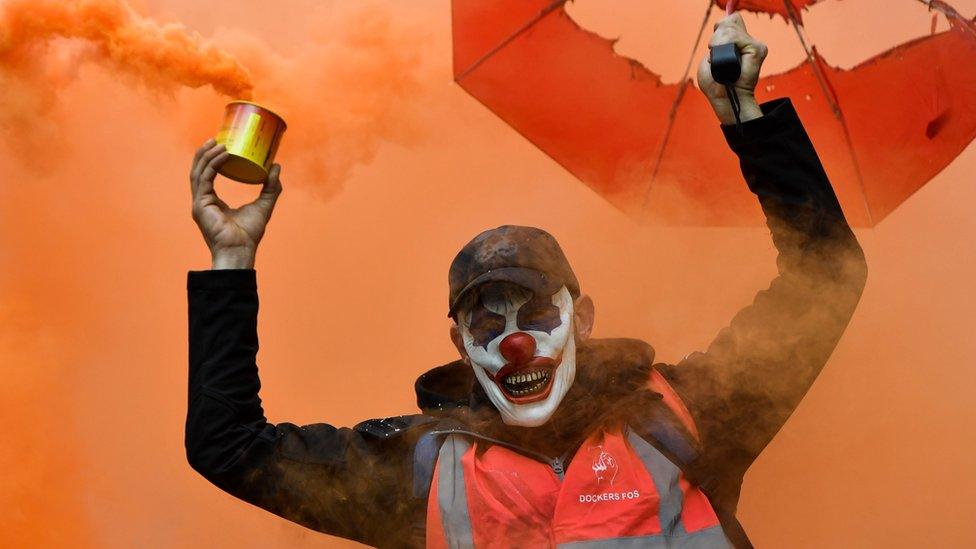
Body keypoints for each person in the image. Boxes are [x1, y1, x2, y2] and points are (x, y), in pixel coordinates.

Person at [185, 14, 867, 549]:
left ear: (584, 316)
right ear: (459, 343)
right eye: (487, 321)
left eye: (536, 310)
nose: (515, 341)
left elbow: (825, 275)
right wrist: (230, 262)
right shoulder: (421, 470)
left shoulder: (683, 415)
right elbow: (231, 447)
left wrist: (747, 118)